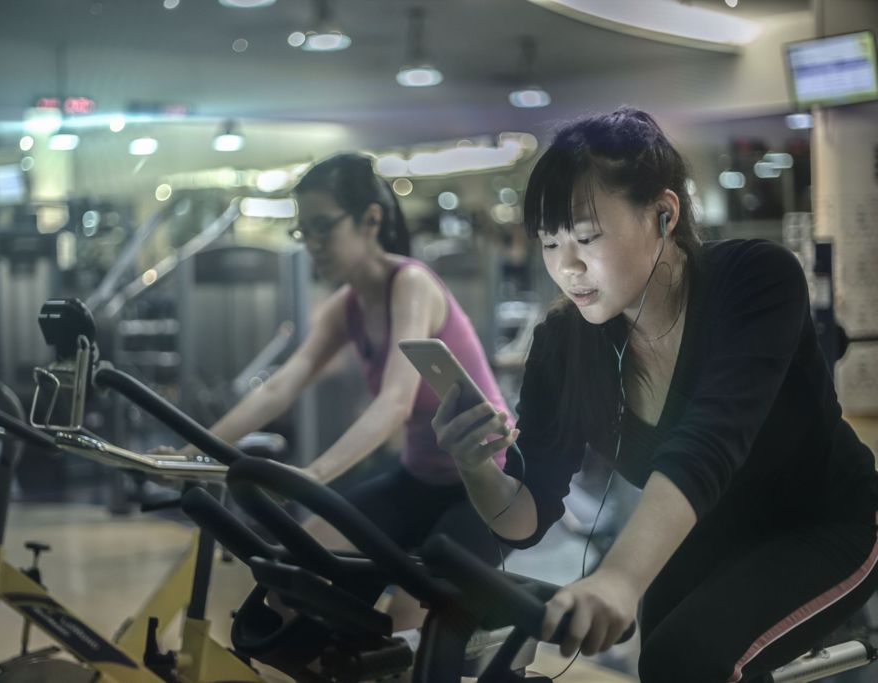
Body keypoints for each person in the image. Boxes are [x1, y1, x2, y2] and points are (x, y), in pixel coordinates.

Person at [432, 107, 878, 682]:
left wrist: (618, 577)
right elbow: (527, 516)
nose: (567, 267)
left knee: (686, 658)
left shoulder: (756, 279)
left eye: (587, 237)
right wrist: (476, 467)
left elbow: (708, 443)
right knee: (665, 658)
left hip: (823, 523)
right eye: (549, 243)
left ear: (664, 215)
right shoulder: (564, 344)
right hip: (705, 529)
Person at [181, 152, 515, 618]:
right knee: (294, 574)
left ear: (370, 220)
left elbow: (396, 402)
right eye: (304, 231)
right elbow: (280, 387)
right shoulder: (346, 307)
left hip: (483, 484)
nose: (312, 243)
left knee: (410, 622)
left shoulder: (411, 284)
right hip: (419, 476)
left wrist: (313, 477)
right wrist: (196, 452)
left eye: (323, 227)